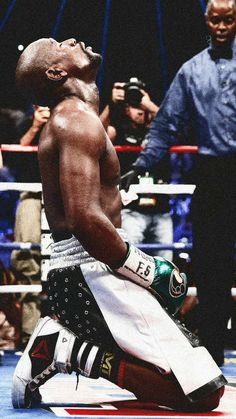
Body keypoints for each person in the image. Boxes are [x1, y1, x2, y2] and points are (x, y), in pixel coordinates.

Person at [12, 37, 226, 412]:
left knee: (189, 381)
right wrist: (149, 271)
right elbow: (83, 217)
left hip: (92, 272)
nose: (72, 40)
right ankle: (67, 349)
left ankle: (68, 347)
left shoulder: (77, 117)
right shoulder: (74, 121)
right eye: (58, 43)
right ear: (56, 71)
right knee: (203, 392)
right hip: (93, 275)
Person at [121, 0, 236, 367]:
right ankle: (213, 354)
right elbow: (167, 124)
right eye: (215, 20)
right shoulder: (192, 71)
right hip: (213, 172)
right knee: (211, 266)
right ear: (206, 21)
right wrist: (140, 166)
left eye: (228, 19)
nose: (221, 26)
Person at [100, 80, 174, 261]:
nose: (140, 110)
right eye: (134, 105)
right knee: (132, 264)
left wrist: (147, 103)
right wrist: (111, 105)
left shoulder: (160, 132)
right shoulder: (120, 132)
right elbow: (97, 134)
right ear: (126, 109)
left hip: (161, 210)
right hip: (131, 210)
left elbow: (174, 124)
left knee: (165, 265)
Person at [10, 105, 50, 347]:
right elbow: (12, 159)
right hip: (31, 193)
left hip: (64, 194)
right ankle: (30, 335)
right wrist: (36, 126)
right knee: (27, 256)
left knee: (73, 261)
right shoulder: (25, 124)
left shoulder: (69, 120)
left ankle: (75, 334)